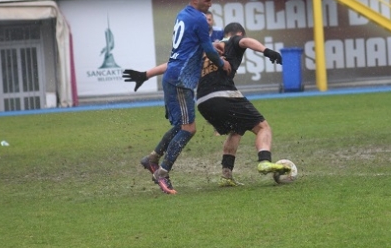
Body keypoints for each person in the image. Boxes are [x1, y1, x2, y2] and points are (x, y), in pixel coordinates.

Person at [123, 23, 289, 187]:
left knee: (236, 129)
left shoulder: (204, 50)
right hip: (223, 95)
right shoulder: (233, 41)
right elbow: (246, 42)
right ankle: (264, 161)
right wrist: (267, 51)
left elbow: (173, 65)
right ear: (237, 33)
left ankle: (226, 175)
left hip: (203, 101)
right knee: (262, 127)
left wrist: (145, 74)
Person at [138, 0, 232, 195]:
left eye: (211, 2)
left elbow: (195, 44)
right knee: (189, 129)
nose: (209, 6)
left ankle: (152, 158)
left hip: (173, 76)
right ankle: (162, 172)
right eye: (207, 2)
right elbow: (206, 47)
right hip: (182, 80)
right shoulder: (199, 18)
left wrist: (209, 46)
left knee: (182, 125)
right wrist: (221, 62)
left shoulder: (183, 14)